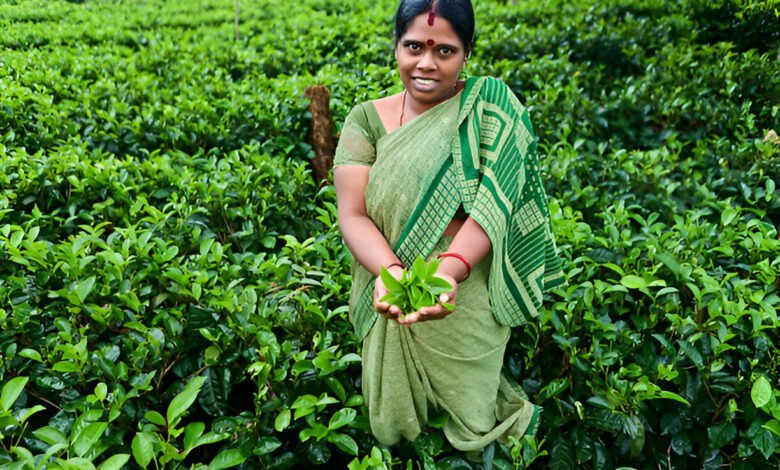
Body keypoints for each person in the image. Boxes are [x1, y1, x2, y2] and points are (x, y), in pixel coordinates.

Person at [333, 0, 564, 458]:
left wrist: (450, 269)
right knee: (400, 437)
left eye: (445, 51)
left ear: (467, 53)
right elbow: (353, 214)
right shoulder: (365, 120)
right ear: (395, 46)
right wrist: (392, 274)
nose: (426, 63)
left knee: (472, 417)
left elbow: (496, 205)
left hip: (466, 295)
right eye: (414, 46)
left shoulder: (491, 109)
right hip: (389, 287)